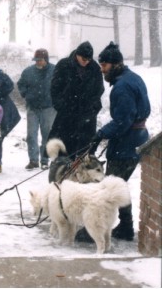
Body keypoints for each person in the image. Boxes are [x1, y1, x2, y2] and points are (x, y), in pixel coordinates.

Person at [76, 42, 151, 243]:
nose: (102, 70)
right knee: (120, 185)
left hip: (127, 143)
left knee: (109, 187)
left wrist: (101, 133)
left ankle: (96, 230)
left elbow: (123, 120)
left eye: (104, 66)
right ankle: (126, 227)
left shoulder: (122, 86)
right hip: (136, 138)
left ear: (115, 64)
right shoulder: (133, 79)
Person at [47, 41, 104, 158]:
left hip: (87, 115)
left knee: (85, 153)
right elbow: (55, 89)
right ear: (77, 54)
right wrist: (61, 106)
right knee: (65, 151)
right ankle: (64, 174)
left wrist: (93, 108)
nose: (86, 62)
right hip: (68, 114)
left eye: (89, 59)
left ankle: (82, 174)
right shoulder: (64, 65)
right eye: (83, 59)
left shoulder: (94, 68)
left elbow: (99, 90)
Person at [18, 48, 57, 170]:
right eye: (36, 60)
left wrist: (56, 98)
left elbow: (61, 84)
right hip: (32, 108)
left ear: (46, 60)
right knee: (31, 135)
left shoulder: (55, 71)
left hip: (49, 108)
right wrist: (25, 94)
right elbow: (21, 84)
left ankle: (45, 160)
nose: (37, 62)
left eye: (40, 60)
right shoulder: (28, 72)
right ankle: (33, 160)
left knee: (46, 134)